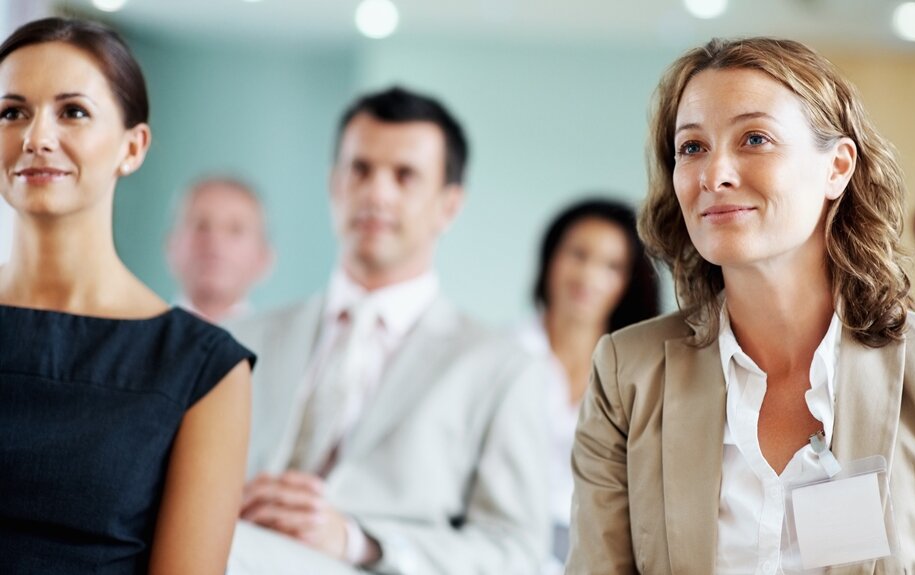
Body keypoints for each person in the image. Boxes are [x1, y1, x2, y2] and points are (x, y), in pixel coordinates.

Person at [566, 37, 915, 573]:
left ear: (838, 167)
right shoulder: (628, 373)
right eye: (692, 147)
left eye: (754, 138)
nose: (715, 175)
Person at [227, 86, 547, 574]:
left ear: (449, 205)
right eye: (360, 170)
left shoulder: (502, 369)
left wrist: (361, 542)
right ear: (335, 185)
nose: (377, 193)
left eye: (405, 176)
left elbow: (515, 554)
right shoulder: (242, 337)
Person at [0, 17, 253, 575]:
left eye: (74, 112)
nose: (36, 137)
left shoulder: (204, 370)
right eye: (12, 111)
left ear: (132, 147)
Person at [516, 197, 659, 571]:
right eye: (578, 254)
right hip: (504, 539)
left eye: (612, 266)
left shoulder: (641, 375)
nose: (589, 276)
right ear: (551, 257)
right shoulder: (501, 357)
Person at [166, 175, 273, 323]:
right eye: (201, 225)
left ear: (263, 258)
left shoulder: (282, 344)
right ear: (171, 246)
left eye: (235, 229)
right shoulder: (136, 338)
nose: (214, 241)